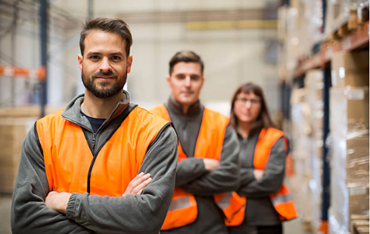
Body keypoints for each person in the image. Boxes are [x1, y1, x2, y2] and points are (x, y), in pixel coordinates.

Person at [11, 18, 178, 234]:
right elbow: (24, 222)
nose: (105, 66)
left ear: (128, 63)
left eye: (115, 58)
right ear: (81, 62)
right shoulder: (43, 133)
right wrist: (120, 216)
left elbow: (147, 218)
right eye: (95, 57)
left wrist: (67, 202)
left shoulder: (156, 133)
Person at [150, 51, 244, 234]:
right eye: (180, 77)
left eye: (194, 77)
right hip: (166, 226)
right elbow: (148, 175)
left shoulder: (220, 122)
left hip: (214, 226)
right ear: (169, 81)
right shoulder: (150, 121)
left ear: (202, 81)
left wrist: (170, 177)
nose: (187, 84)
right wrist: (201, 164)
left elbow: (232, 176)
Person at [227, 83, 297, 234]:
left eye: (254, 101)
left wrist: (233, 186)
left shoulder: (274, 138)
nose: (248, 106)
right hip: (229, 219)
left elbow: (272, 182)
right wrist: (253, 174)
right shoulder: (222, 137)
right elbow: (215, 177)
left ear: (262, 106)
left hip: (266, 221)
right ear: (234, 103)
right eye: (243, 99)